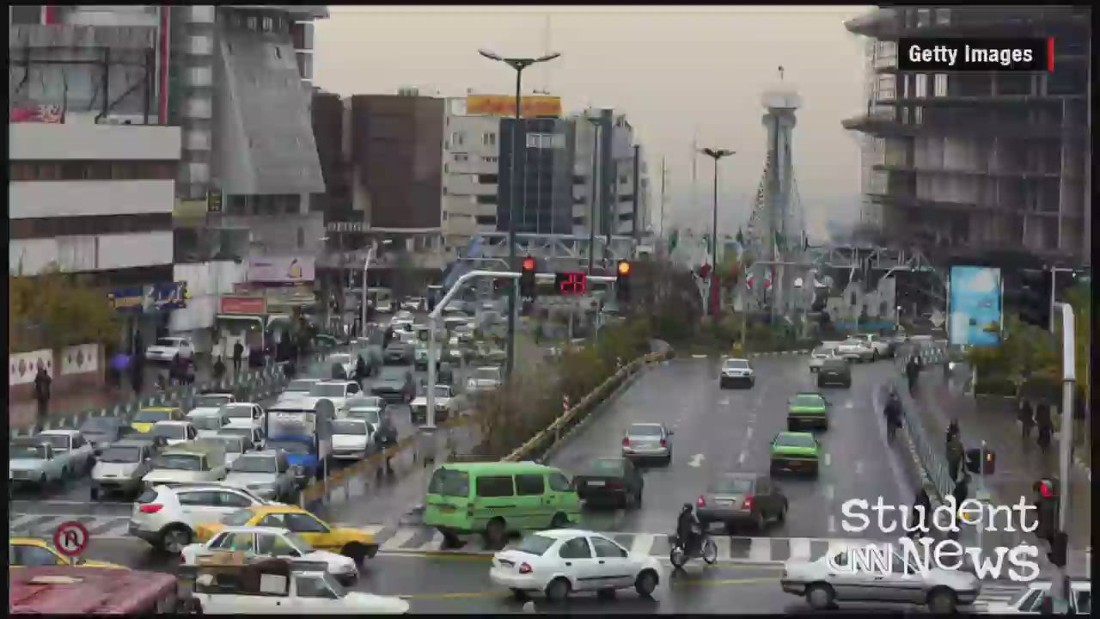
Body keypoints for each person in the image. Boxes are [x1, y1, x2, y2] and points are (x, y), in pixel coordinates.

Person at [33, 366, 52, 433]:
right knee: (44, 406)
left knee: (41, 406)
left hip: (41, 396)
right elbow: (50, 381)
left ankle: (41, 414)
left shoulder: (38, 377)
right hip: (44, 395)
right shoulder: (45, 377)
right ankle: (43, 414)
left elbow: (35, 383)